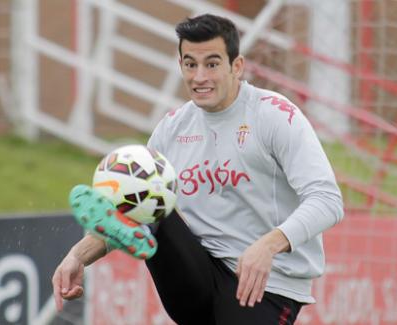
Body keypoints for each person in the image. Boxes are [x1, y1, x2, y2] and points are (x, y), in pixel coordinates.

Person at [52, 13, 344, 325]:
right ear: (181, 65)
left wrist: (267, 246)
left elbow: (327, 200)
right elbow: (135, 208)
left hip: (265, 284)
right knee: (148, 202)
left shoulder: (274, 115)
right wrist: (76, 257)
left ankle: (135, 233)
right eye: (190, 64)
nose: (199, 76)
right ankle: (130, 234)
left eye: (212, 64)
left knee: (150, 206)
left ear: (237, 66)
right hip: (194, 279)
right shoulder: (171, 129)